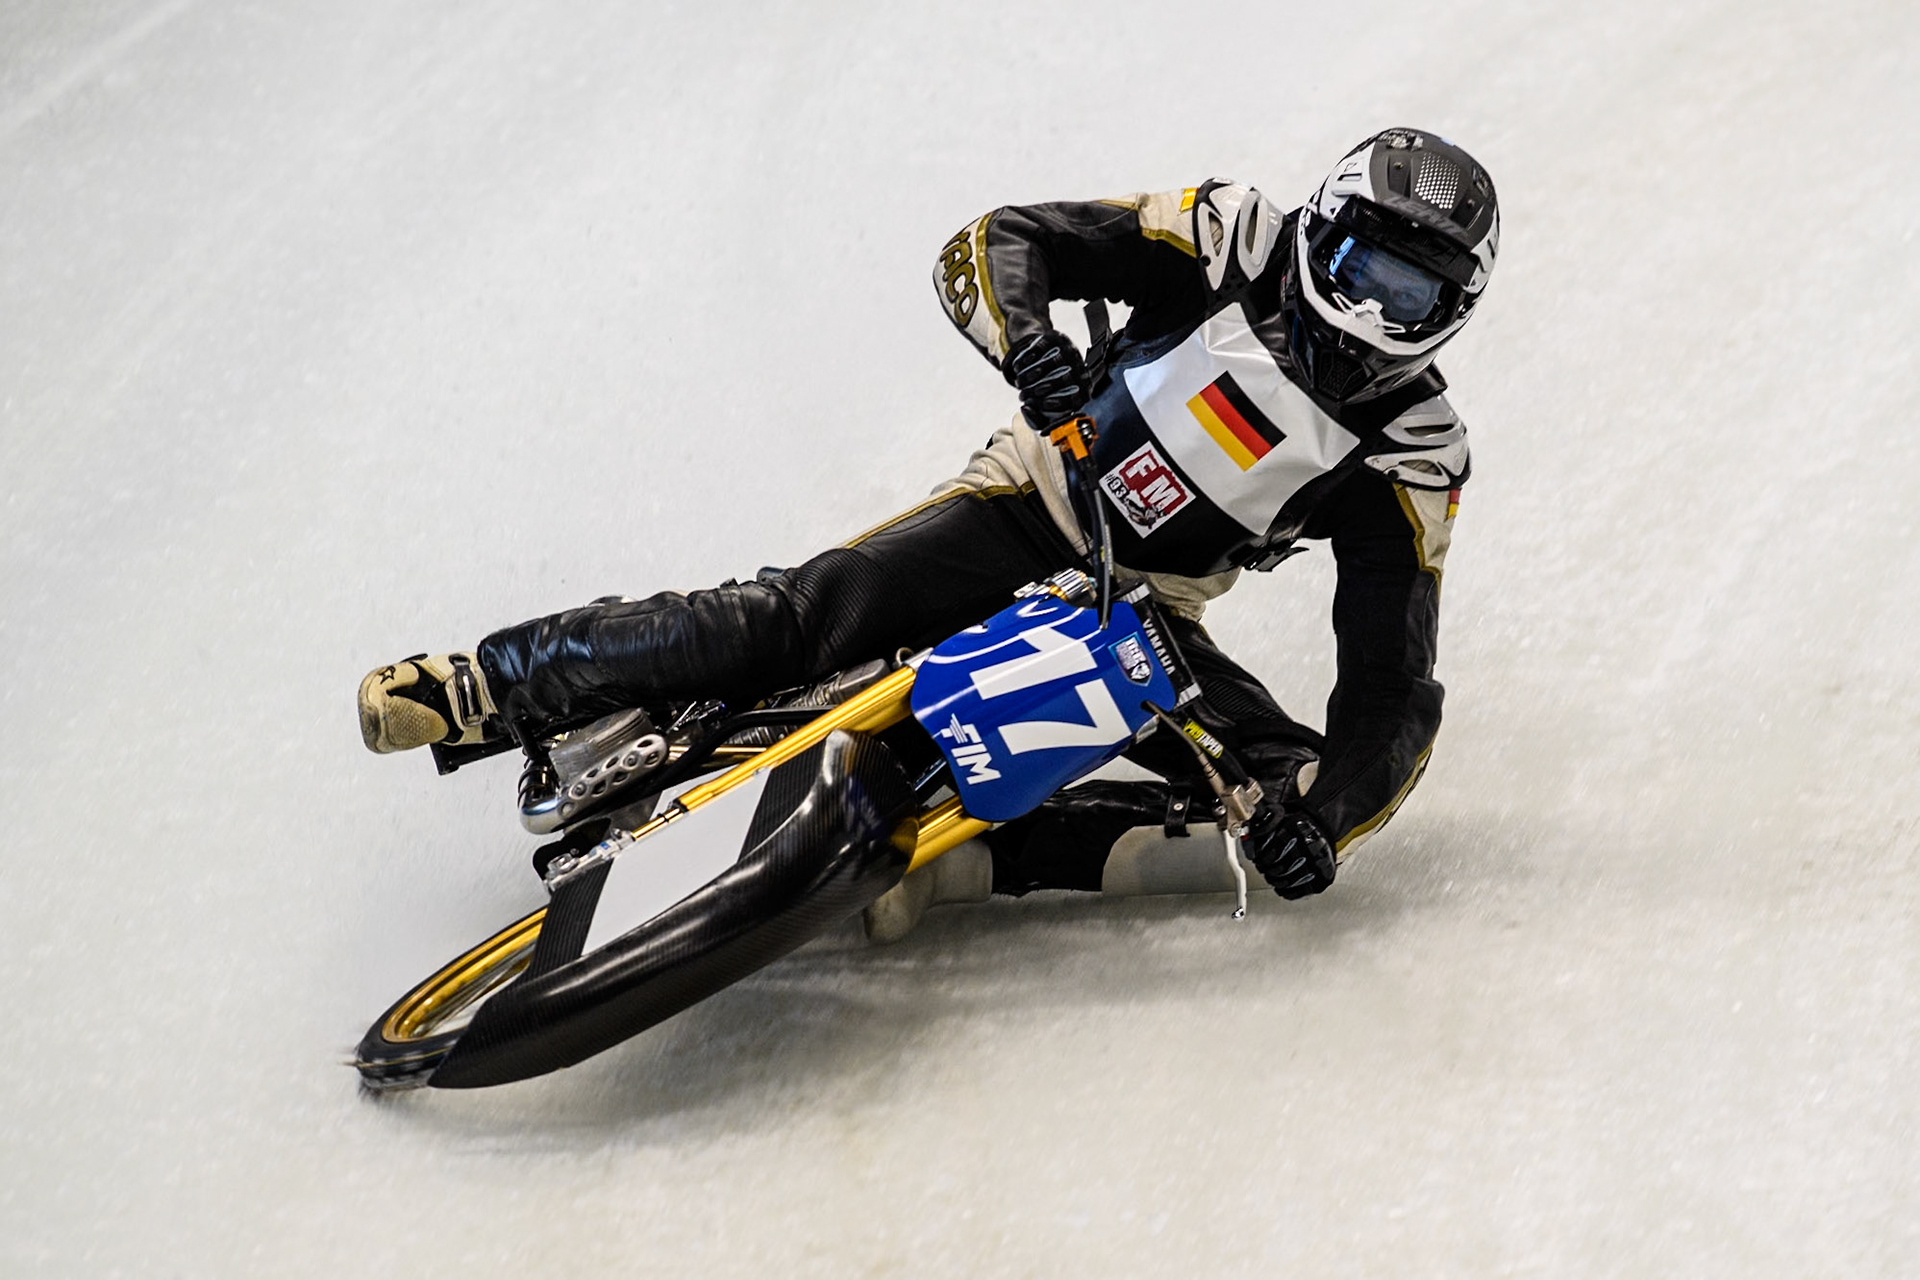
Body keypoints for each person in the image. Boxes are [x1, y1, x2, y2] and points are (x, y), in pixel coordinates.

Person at [358, 128, 1498, 941]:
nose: (1370, 310)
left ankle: (965, 863)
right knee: (799, 618)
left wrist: (1332, 819)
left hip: (1146, 610)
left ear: (1454, 312)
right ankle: (486, 681)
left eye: (1413, 296)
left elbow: (1393, 689)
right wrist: (1025, 343)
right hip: (1029, 497)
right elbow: (997, 241)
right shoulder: (1229, 230)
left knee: (1282, 801)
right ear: (1325, 225)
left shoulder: (1415, 450)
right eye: (1363, 267)